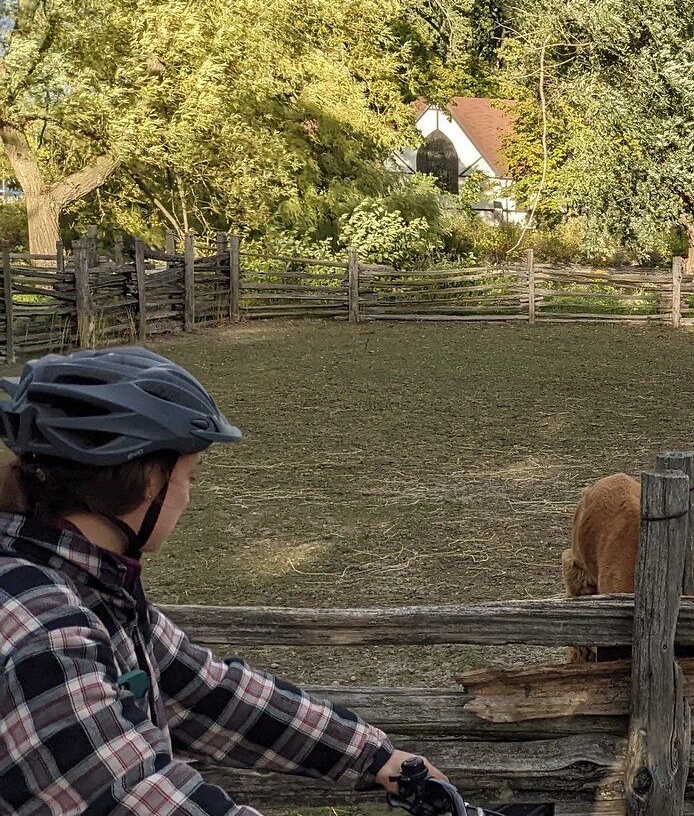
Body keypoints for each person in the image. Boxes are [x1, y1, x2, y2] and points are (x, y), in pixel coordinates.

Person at [0, 346, 450, 815]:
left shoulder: (87, 584)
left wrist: (376, 757)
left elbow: (205, 692)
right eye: (190, 476)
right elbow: (134, 795)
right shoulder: (45, 632)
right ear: (150, 481)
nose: (189, 496)